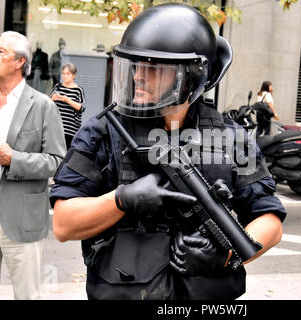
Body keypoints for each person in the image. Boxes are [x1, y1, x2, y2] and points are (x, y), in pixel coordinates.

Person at [50, 3, 286, 300]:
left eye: (155, 68)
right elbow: (63, 223)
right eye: (135, 65)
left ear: (191, 77)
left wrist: (225, 256)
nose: (138, 76)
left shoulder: (231, 139)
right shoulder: (104, 131)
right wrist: (122, 200)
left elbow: (270, 222)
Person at [0, 31, 66, 300]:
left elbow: (56, 162)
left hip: (21, 217)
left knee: (26, 295)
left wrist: (13, 159)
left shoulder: (42, 106)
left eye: (0, 52)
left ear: (19, 62)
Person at [50, 63, 86, 149]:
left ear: (74, 75)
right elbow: (47, 104)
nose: (65, 76)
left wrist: (67, 100)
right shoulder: (58, 87)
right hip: (56, 128)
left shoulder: (78, 90)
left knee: (67, 155)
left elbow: (82, 108)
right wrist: (52, 99)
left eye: (68, 74)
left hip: (70, 130)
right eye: (63, 73)